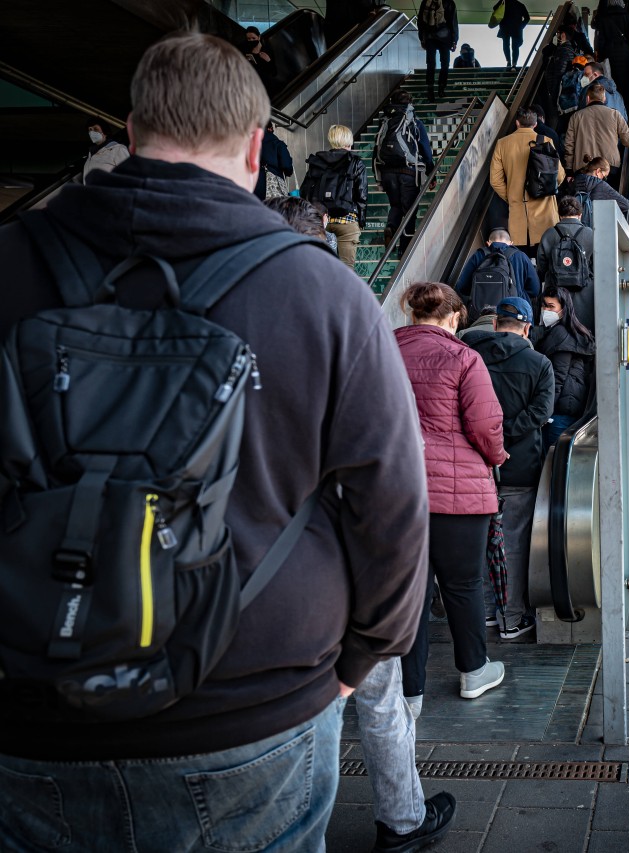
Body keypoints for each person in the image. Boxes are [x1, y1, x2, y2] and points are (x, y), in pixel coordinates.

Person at [0, 32, 434, 850]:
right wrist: (361, 658)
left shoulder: (13, 262)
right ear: (256, 143)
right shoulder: (324, 292)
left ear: (130, 133)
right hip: (256, 701)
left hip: (30, 702)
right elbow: (392, 503)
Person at [267, 198, 459, 853]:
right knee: (373, 698)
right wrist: (393, 610)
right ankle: (401, 819)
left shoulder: (222, 316)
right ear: (321, 246)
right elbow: (391, 479)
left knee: (286, 720)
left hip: (252, 569)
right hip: (339, 567)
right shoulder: (348, 324)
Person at [396, 282, 508, 709]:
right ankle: (474, 672)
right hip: (458, 496)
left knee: (409, 593)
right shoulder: (463, 356)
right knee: (463, 584)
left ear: (413, 315)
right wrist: (497, 455)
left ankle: (409, 694)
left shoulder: (380, 351)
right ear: (455, 316)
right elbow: (484, 425)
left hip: (395, 492)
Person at [466, 297, 555, 641]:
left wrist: (487, 436)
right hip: (520, 467)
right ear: (527, 327)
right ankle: (512, 618)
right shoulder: (539, 363)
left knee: (479, 542)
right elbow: (541, 412)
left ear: (495, 323)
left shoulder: (470, 357)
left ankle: (488, 613)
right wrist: (505, 434)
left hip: (476, 464)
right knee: (513, 544)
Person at [491, 107, 566, 249]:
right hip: (545, 212)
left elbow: (495, 180)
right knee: (546, 255)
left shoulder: (502, 144)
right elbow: (560, 175)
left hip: (518, 212)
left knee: (522, 257)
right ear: (535, 124)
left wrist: (511, 195)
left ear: (517, 123)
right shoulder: (546, 140)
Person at [301, 123, 368, 268]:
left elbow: (305, 192)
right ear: (348, 140)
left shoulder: (318, 162)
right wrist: (361, 220)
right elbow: (361, 194)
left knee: (321, 268)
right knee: (346, 270)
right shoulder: (356, 162)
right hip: (347, 221)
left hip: (322, 222)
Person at [536, 286, 596, 449]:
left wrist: (543, 413)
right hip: (568, 408)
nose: (545, 310)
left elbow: (557, 378)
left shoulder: (560, 335)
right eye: (543, 305)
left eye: (551, 306)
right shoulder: (571, 332)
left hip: (558, 412)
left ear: (563, 310)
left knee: (551, 459)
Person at [376, 89, 434, 255]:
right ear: (410, 103)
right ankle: (404, 249)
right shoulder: (414, 120)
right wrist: (431, 172)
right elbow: (425, 148)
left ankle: (391, 228)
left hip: (387, 171)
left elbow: (377, 147)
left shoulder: (385, 119)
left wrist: (378, 176)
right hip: (409, 171)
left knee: (395, 205)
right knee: (409, 210)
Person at [537, 196, 596, 333]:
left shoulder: (549, 234)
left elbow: (541, 266)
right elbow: (596, 267)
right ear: (580, 215)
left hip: (555, 292)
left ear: (559, 215)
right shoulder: (590, 234)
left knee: (556, 331)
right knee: (583, 330)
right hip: (584, 292)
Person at [563, 83, 629, 182]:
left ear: (588, 98)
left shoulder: (576, 117)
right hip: (609, 168)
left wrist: (569, 171)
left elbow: (569, 145)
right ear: (604, 99)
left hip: (584, 168)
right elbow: (628, 142)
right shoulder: (615, 114)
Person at [457, 228, 541, 311]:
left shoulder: (478, 255)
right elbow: (535, 290)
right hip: (514, 313)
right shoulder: (521, 256)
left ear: (488, 243)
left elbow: (462, 287)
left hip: (482, 313)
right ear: (511, 243)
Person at [592, 0, 629, 111]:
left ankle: (613, 109)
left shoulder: (603, 18)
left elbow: (601, 41)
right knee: (625, 85)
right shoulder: (626, 17)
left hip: (609, 55)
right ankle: (626, 111)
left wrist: (600, 58)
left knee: (611, 83)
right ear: (621, 3)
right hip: (625, 54)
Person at [419, 0, 459, 100]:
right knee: (431, 63)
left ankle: (441, 88)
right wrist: (422, 38)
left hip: (444, 36)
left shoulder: (449, 2)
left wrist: (454, 40)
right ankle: (431, 89)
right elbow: (421, 21)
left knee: (445, 63)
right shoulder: (426, 2)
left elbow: (453, 22)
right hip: (430, 36)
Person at [253, 119, 294, 199]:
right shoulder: (278, 144)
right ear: (270, 128)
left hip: (254, 185)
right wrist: (288, 172)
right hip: (272, 185)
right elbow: (286, 165)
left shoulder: (251, 145)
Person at [496, 0, 531, 67]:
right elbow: (527, 18)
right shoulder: (520, 5)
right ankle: (514, 63)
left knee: (506, 45)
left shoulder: (504, 3)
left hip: (505, 27)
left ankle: (509, 62)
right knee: (514, 46)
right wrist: (521, 26)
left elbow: (495, 8)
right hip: (516, 28)